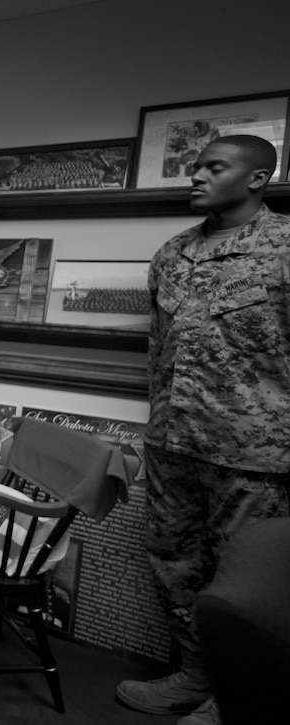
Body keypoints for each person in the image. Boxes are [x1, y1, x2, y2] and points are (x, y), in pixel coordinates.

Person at [116, 135, 290, 725]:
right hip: (174, 442)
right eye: (195, 167)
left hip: (253, 452)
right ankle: (194, 676)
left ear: (259, 177)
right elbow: (157, 350)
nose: (197, 177)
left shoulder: (285, 247)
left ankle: (235, 697)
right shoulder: (172, 254)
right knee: (174, 561)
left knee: (244, 584)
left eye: (214, 167)